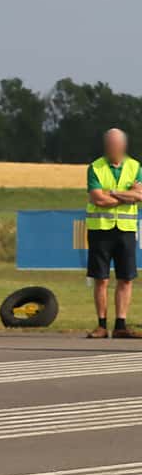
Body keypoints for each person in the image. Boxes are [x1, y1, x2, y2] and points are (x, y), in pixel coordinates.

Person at [86, 127, 142, 339]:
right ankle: (101, 325)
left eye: (117, 145)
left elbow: (141, 194)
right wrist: (128, 195)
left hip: (125, 230)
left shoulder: (135, 166)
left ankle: (121, 324)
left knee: (126, 278)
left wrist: (114, 193)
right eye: (111, 144)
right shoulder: (96, 167)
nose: (114, 148)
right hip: (101, 229)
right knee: (101, 278)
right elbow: (97, 198)